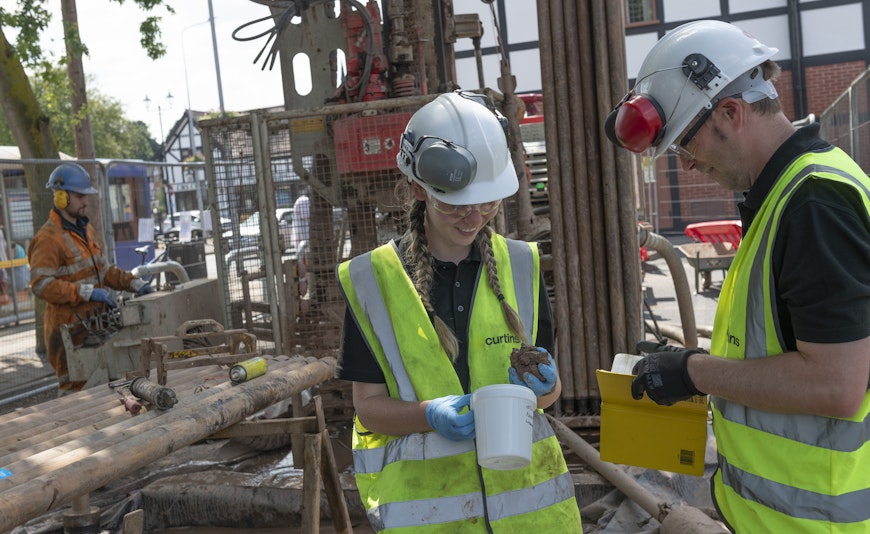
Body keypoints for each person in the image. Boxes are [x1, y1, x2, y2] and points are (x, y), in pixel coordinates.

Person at [605, 20, 870, 532]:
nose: (685, 166)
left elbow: (837, 383)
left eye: (685, 144)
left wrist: (694, 371)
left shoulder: (813, 204)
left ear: (731, 112)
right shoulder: (789, 194)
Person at [335, 91, 582, 532]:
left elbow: (547, 393)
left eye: (487, 203)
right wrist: (428, 414)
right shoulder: (375, 280)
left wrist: (546, 387)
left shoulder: (521, 265)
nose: (473, 216)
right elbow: (368, 409)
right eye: (455, 203)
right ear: (417, 188)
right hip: (431, 519)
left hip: (531, 519)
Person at [28, 163, 155, 395]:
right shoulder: (47, 239)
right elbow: (41, 285)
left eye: (85, 196)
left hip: (93, 326)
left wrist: (134, 283)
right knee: (75, 392)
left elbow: (103, 269)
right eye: (79, 196)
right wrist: (86, 292)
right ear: (60, 197)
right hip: (67, 332)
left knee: (101, 386)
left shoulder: (86, 230)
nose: (85, 202)